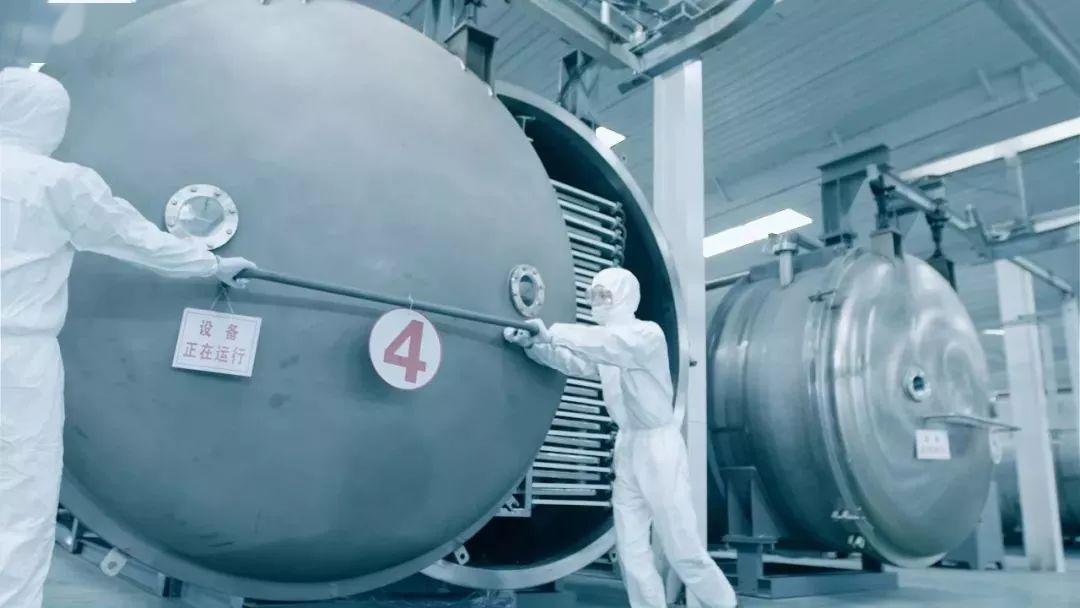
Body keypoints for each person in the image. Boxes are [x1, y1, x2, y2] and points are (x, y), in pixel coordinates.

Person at [0, 67, 256, 608]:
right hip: (19, 358)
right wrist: (211, 264)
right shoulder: (60, 182)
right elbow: (135, 239)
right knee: (21, 495)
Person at [504, 267, 737, 608]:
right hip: (628, 446)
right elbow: (574, 362)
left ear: (625, 297)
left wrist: (552, 332)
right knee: (631, 549)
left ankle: (725, 604)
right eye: (593, 295)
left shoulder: (646, 335)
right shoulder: (607, 346)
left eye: (604, 295)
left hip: (659, 447)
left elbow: (608, 344)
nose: (597, 302)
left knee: (682, 547)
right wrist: (534, 345)